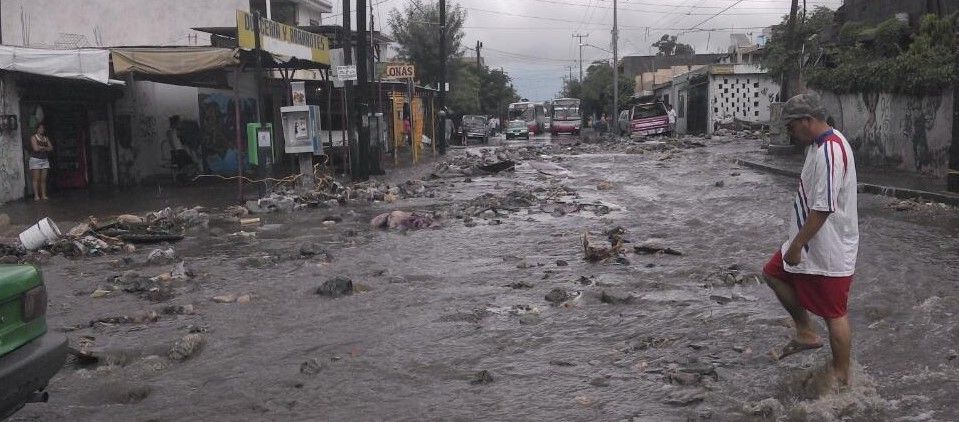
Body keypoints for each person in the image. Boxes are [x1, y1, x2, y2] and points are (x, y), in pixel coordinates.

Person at [762, 93, 858, 386]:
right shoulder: (818, 146)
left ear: (807, 120)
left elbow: (824, 207)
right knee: (772, 273)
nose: (790, 133)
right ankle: (805, 331)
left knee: (834, 314)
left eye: (791, 126)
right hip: (811, 243)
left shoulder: (830, 150)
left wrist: (795, 246)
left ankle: (842, 377)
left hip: (829, 248)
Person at [29, 123, 53, 200]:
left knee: (43, 179)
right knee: (36, 178)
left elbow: (51, 148)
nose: (41, 129)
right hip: (36, 159)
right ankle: (36, 195)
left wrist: (42, 147)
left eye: (42, 128)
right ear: (37, 129)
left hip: (44, 159)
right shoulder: (34, 137)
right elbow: (35, 149)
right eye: (40, 128)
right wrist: (45, 147)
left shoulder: (46, 138)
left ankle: (43, 194)